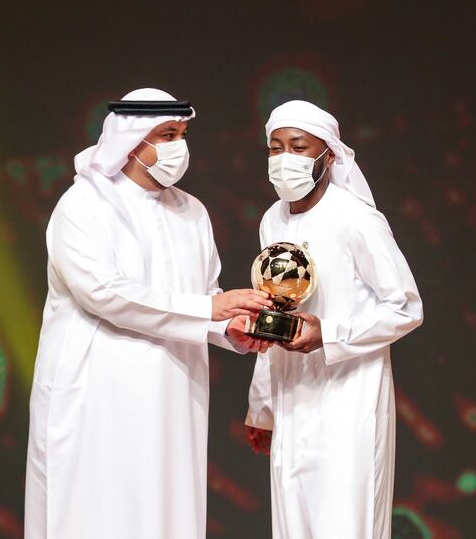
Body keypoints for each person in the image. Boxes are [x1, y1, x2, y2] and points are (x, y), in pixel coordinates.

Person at [25, 88, 272, 539]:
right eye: (168, 134)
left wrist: (230, 329)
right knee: (97, 514)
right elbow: (103, 293)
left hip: (175, 394)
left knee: (167, 513)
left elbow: (206, 294)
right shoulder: (83, 206)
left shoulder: (191, 212)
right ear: (132, 141)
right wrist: (209, 310)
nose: (179, 146)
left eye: (182, 133)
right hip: (97, 396)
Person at [244, 100, 424, 538]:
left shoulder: (356, 219)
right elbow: (275, 311)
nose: (285, 158)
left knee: (344, 522)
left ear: (329, 155)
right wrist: (261, 405)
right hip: (292, 394)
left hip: (349, 396)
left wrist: (330, 335)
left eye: (299, 147)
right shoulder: (272, 221)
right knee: (294, 521)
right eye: (276, 147)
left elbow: (405, 308)